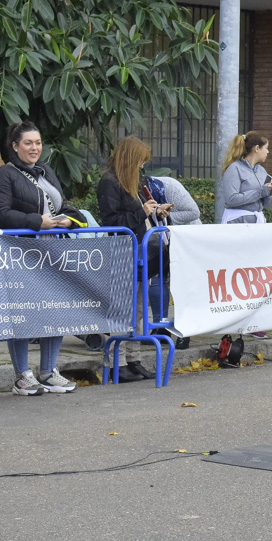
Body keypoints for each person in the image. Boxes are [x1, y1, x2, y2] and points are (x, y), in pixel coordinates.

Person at [0, 121, 84, 396]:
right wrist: (36, 222)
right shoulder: (4, 175)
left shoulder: (47, 171)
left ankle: (48, 372)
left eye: (38, 142)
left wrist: (71, 219)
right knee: (23, 312)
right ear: (15, 146)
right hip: (20, 254)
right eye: (28, 143)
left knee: (54, 309)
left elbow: (63, 205)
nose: (34, 147)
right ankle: (22, 376)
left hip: (53, 252)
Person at [97, 136, 170, 382]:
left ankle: (134, 359)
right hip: (122, 251)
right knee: (121, 308)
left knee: (139, 308)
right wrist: (142, 212)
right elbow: (112, 222)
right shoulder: (109, 182)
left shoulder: (132, 182)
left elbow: (135, 215)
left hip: (140, 251)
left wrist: (155, 210)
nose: (142, 166)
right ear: (130, 158)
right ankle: (117, 363)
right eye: (140, 160)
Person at [220, 131, 272, 337]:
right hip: (238, 222)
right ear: (256, 149)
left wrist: (269, 193)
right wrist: (260, 192)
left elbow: (264, 204)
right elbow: (232, 198)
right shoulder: (234, 170)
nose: (268, 152)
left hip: (256, 221)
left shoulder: (261, 172)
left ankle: (255, 319)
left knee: (256, 271)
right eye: (266, 148)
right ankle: (240, 319)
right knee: (240, 271)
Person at [145, 176, 199, 350]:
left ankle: (185, 331)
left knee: (183, 284)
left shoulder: (169, 186)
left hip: (186, 236)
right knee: (157, 276)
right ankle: (160, 327)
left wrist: (163, 217)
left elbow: (193, 212)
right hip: (162, 236)